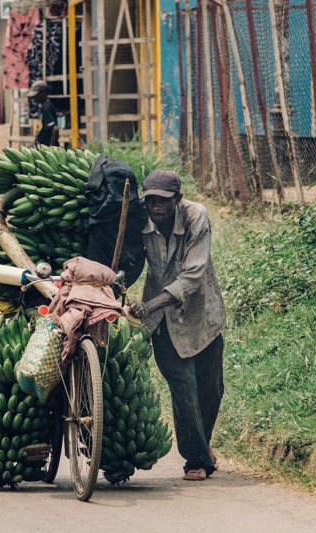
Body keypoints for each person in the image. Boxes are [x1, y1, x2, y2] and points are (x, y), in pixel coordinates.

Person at [128, 170, 226, 482]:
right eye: (151, 200)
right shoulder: (140, 223)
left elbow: (194, 275)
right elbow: (130, 262)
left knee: (211, 389)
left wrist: (150, 304)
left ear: (178, 200)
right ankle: (196, 460)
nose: (156, 207)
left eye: (164, 201)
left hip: (202, 314)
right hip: (162, 322)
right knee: (183, 388)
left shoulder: (197, 217)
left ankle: (202, 445)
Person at [28, 80, 59, 147]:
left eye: (36, 96)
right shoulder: (43, 106)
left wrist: (51, 146)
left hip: (47, 146)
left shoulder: (46, 107)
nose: (35, 99)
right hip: (43, 145)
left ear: (43, 93)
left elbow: (55, 128)